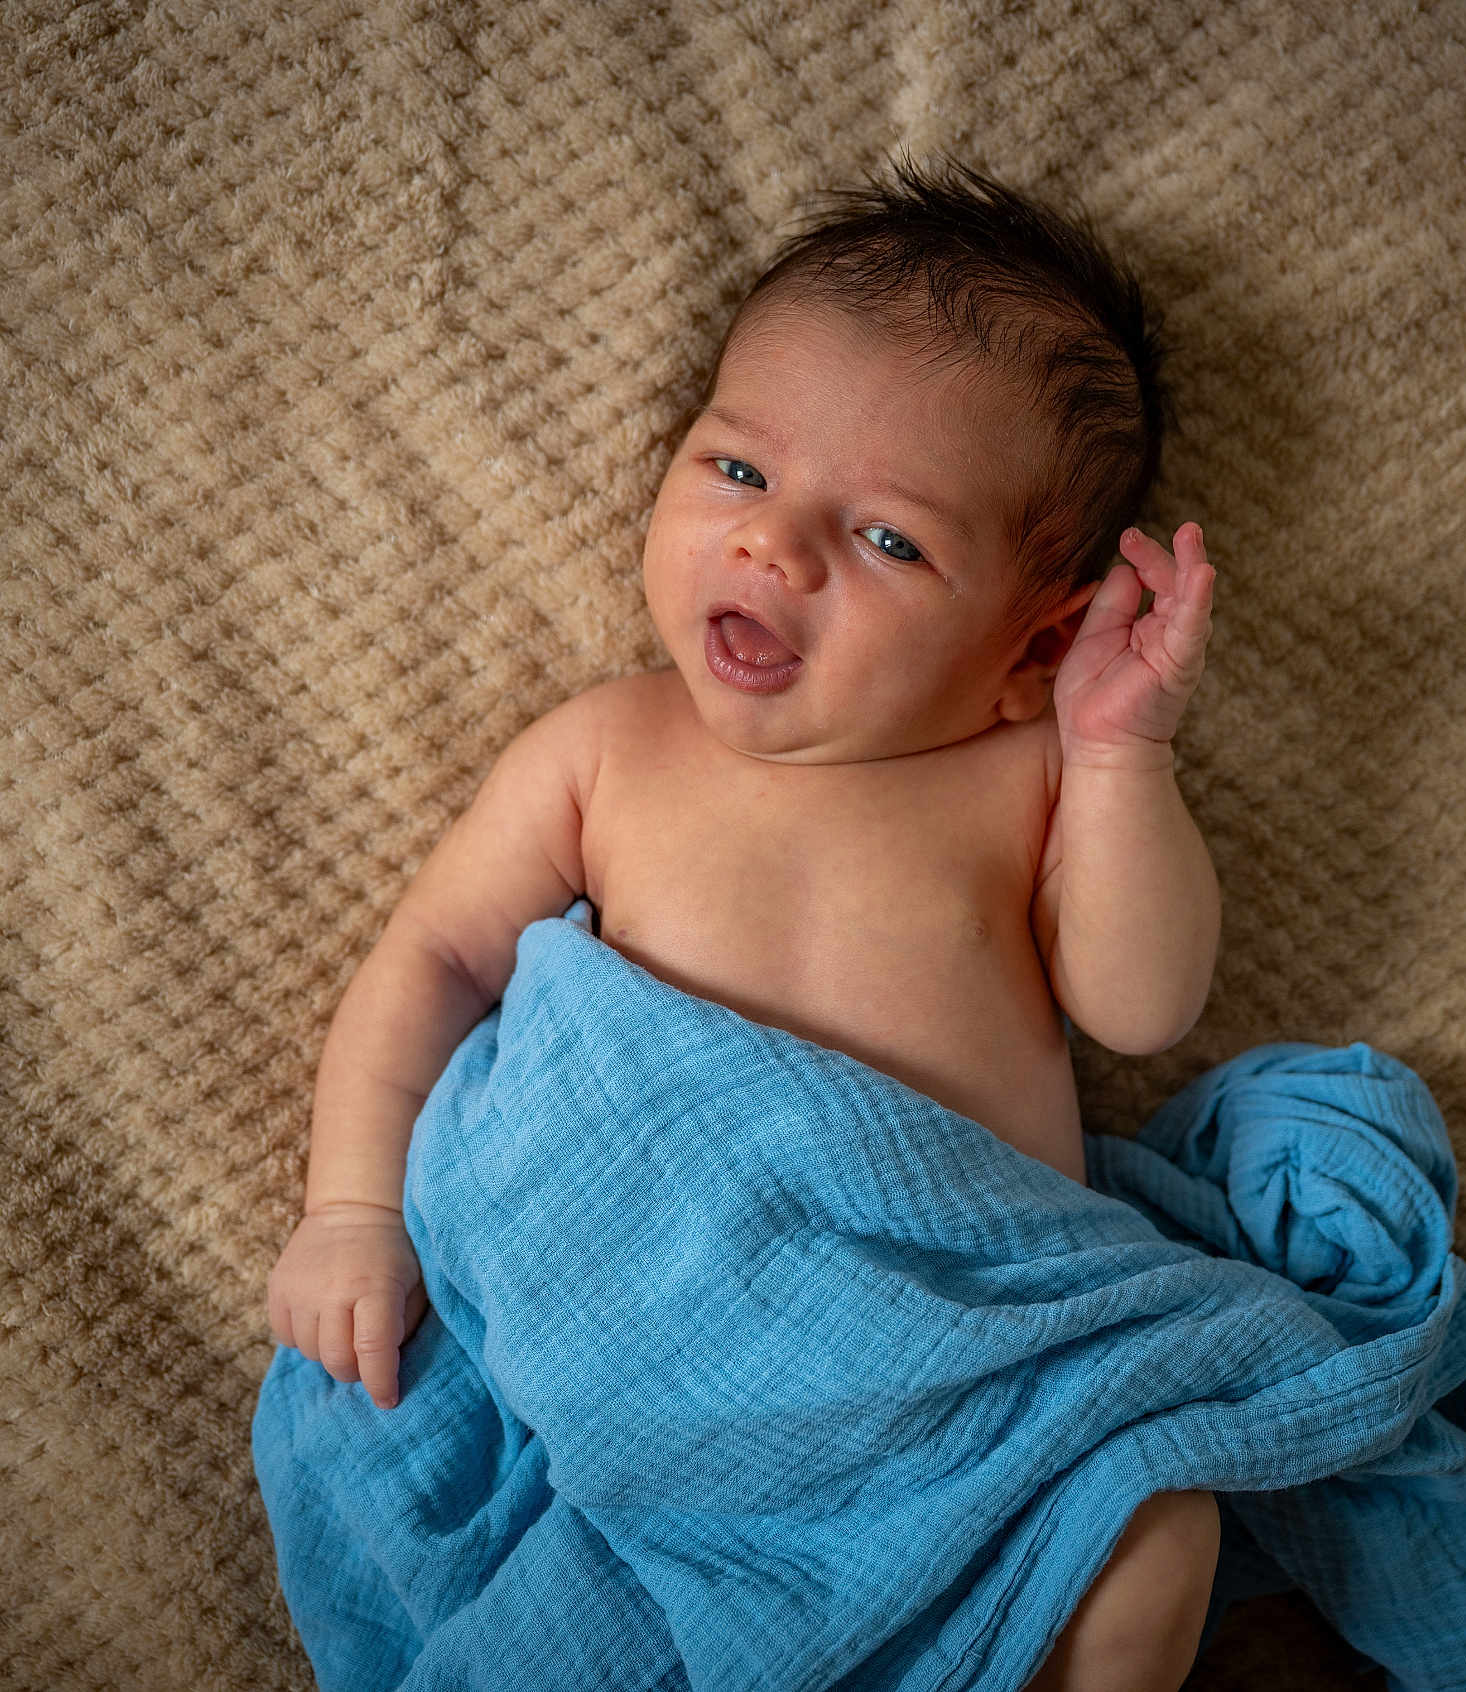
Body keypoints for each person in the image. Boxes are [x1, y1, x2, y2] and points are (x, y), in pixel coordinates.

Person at [266, 156, 1222, 1692]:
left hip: (961, 1358)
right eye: (737, 472)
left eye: (891, 541)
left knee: (1155, 1524)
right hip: (672, 1361)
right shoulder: (606, 747)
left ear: (1030, 645)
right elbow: (437, 959)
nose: (776, 548)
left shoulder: (1029, 774)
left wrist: (1123, 757)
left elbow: (1141, 1004)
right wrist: (354, 1210)